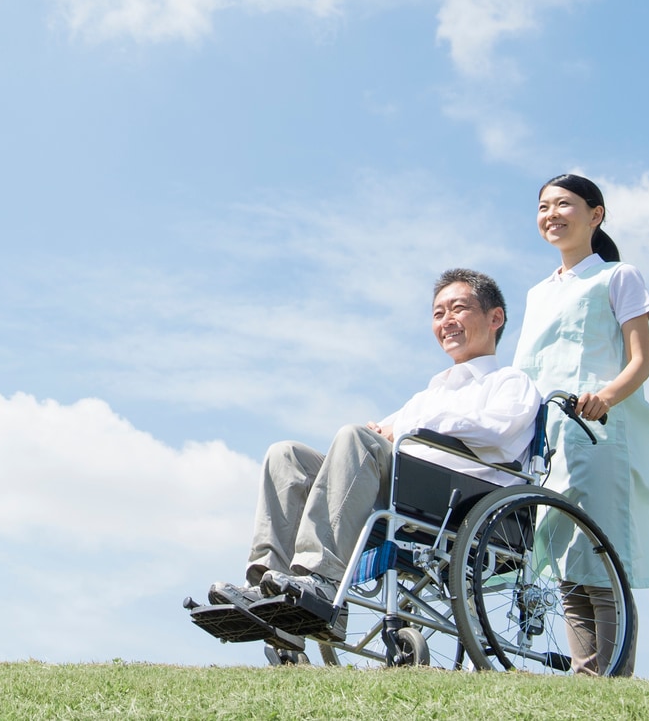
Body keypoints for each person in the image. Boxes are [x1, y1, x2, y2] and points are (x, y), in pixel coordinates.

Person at [207, 269, 540, 645]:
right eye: (437, 313)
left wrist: (408, 428)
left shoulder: (510, 382)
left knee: (355, 438)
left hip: (454, 499)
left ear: (495, 318)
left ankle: (323, 581)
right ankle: (267, 588)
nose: (446, 321)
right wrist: (388, 431)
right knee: (287, 456)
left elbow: (498, 433)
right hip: (402, 486)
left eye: (458, 309)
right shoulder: (430, 394)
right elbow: (380, 434)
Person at [520, 173, 649, 676]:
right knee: (565, 559)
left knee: (598, 557)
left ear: (596, 214)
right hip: (544, 440)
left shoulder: (618, 276)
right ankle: (585, 676)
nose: (551, 214)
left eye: (564, 204)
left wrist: (604, 398)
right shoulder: (537, 293)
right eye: (544, 206)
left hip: (595, 433)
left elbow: (640, 361)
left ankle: (609, 677)